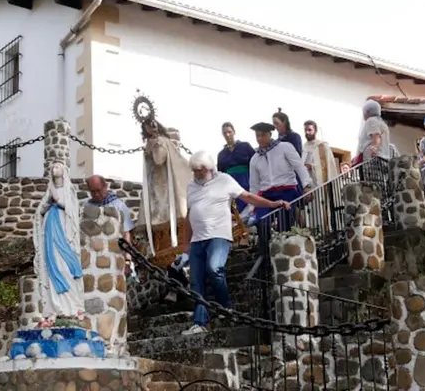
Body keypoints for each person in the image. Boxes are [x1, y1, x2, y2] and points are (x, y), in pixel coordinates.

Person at [182, 150, 291, 335]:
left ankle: (226, 308)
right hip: (197, 239)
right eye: (194, 170)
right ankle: (200, 322)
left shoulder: (224, 180)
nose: (197, 174)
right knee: (196, 281)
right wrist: (186, 242)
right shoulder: (191, 186)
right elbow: (188, 215)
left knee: (215, 268)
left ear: (209, 168)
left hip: (219, 235)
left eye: (200, 170)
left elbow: (247, 196)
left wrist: (272, 204)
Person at [33, 162, 84, 327]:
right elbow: (40, 212)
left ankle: (73, 306)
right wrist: (49, 201)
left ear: (64, 171)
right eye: (53, 167)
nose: (55, 169)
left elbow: (72, 211)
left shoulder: (69, 190)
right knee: (53, 264)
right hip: (50, 231)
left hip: (64, 231)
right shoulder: (49, 191)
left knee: (67, 267)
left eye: (58, 166)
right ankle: (55, 307)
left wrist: (58, 200)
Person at [137, 118, 191, 259]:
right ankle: (158, 244)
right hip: (154, 183)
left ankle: (174, 242)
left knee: (166, 210)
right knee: (156, 212)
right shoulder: (150, 143)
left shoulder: (162, 141)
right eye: (147, 126)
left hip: (165, 183)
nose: (151, 128)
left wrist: (156, 145)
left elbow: (159, 160)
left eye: (152, 125)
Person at [249, 122, 313, 231]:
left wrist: (306, 185)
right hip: (266, 195)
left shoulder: (285, 147)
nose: (260, 138)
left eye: (262, 135)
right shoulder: (254, 158)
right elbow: (254, 185)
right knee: (262, 223)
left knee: (285, 223)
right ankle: (265, 248)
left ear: (270, 134)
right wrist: (252, 206)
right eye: (257, 136)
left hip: (286, 191)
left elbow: (299, 166)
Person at [84, 175, 137, 282]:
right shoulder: (87, 206)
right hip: (94, 256)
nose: (96, 194)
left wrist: (127, 260)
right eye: (92, 191)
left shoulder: (118, 205)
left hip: (115, 255)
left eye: (98, 190)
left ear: (105, 187)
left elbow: (127, 233)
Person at [217, 122, 255, 212]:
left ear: (234, 132)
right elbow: (220, 173)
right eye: (225, 133)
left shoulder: (245, 146)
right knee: (236, 211)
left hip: (247, 181)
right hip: (231, 185)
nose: (227, 135)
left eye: (229, 132)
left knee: (251, 207)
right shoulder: (221, 154)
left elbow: (255, 162)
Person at [302, 120, 339, 188]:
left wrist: (311, 166)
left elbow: (330, 166)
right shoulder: (304, 147)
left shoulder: (322, 146)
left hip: (320, 184)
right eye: (305, 130)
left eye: (309, 130)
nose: (307, 132)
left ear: (315, 131)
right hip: (307, 184)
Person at [353, 100, 391, 166]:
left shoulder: (371, 120)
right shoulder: (383, 124)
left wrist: (374, 148)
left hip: (371, 160)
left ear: (367, 111)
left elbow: (376, 135)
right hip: (383, 160)